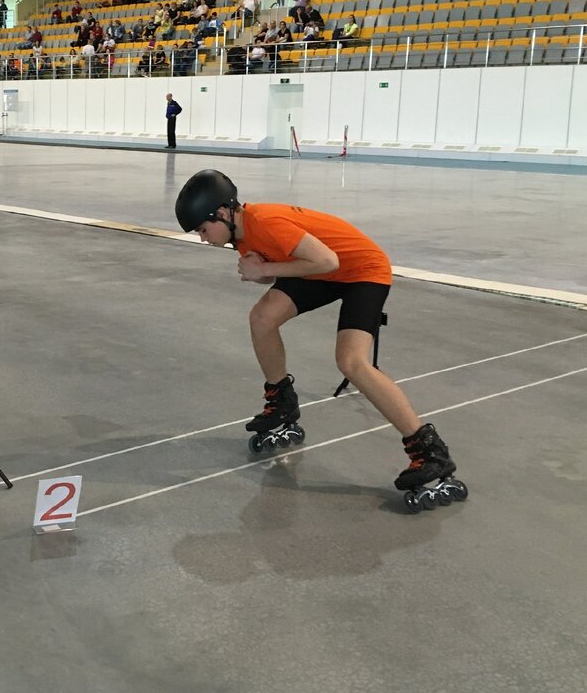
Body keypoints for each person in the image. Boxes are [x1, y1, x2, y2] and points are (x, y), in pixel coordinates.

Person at [173, 169, 460, 502]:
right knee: (262, 317)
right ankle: (280, 402)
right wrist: (261, 272)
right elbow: (291, 267)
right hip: (323, 270)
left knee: (351, 362)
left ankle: (429, 451)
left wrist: (263, 270)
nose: (203, 238)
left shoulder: (264, 221)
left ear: (222, 213)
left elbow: (327, 259)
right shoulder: (241, 235)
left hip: (363, 270)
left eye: (203, 229)